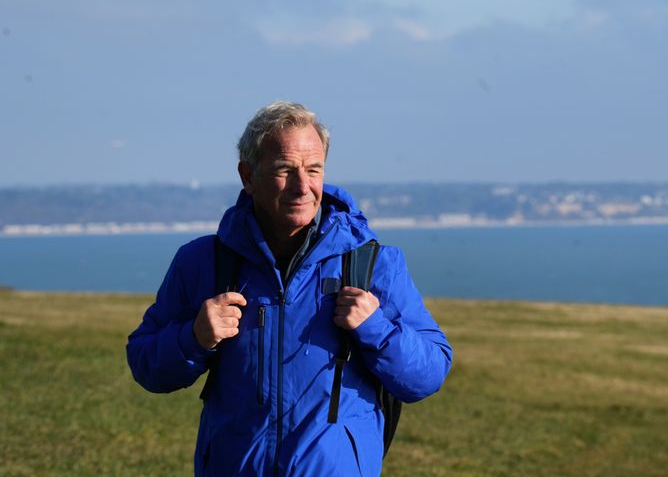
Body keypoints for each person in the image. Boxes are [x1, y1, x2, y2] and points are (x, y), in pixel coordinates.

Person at [126, 101, 453, 476]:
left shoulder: (374, 264)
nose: (303, 187)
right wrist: (194, 337)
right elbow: (145, 363)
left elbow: (428, 373)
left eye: (314, 170)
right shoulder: (203, 261)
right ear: (247, 176)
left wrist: (375, 327)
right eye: (284, 170)